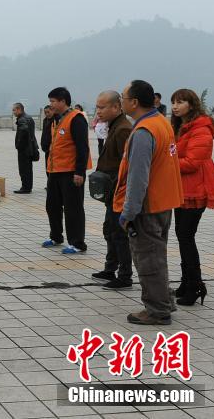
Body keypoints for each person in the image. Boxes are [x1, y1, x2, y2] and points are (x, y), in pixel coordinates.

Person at [115, 80, 183, 325]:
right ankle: (164, 300)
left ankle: (156, 310)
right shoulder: (161, 123)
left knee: (147, 259)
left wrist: (128, 212)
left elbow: (138, 177)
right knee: (157, 255)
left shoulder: (144, 132)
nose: (121, 101)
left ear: (133, 102)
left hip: (148, 206)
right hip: (163, 202)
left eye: (123, 97)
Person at [171, 88, 214, 306]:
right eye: (173, 102)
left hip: (196, 188)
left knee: (186, 236)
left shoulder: (201, 127)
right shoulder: (180, 126)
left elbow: (193, 162)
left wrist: (167, 164)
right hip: (182, 188)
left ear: (191, 104)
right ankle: (186, 282)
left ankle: (195, 286)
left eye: (180, 102)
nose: (175, 106)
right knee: (182, 236)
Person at [90, 91, 133, 289]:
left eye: (102, 107)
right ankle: (110, 268)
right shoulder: (114, 126)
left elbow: (127, 164)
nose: (98, 111)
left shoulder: (123, 129)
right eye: (97, 107)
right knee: (110, 230)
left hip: (119, 190)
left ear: (116, 107)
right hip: (111, 189)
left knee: (118, 233)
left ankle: (124, 275)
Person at [42, 87, 91, 254]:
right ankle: (56, 236)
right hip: (55, 171)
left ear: (63, 101)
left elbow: (82, 148)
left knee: (73, 208)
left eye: (53, 101)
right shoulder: (57, 119)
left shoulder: (76, 118)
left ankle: (77, 243)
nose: (51, 105)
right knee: (52, 206)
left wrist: (80, 172)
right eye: (50, 101)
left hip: (70, 172)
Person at [12, 102, 37, 193]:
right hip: (30, 147)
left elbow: (24, 130)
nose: (13, 112)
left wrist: (19, 144)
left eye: (14, 110)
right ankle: (27, 186)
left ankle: (25, 187)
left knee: (24, 169)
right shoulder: (29, 118)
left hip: (24, 149)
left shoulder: (22, 119)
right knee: (28, 169)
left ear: (19, 109)